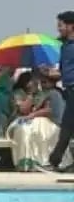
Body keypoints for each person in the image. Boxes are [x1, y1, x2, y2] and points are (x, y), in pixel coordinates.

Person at [42, 10, 74, 173]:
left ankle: (54, 161)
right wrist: (47, 73)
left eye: (61, 25)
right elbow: (63, 71)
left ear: (71, 26)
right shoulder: (65, 46)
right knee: (67, 127)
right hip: (69, 90)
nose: (58, 28)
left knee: (67, 127)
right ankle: (55, 161)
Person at [6, 70, 57, 171]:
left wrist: (34, 114)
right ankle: (25, 162)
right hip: (19, 122)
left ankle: (44, 161)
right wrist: (30, 95)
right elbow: (23, 110)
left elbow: (48, 109)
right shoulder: (17, 94)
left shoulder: (41, 94)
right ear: (25, 82)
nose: (35, 84)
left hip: (35, 121)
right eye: (32, 81)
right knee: (25, 131)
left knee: (46, 128)